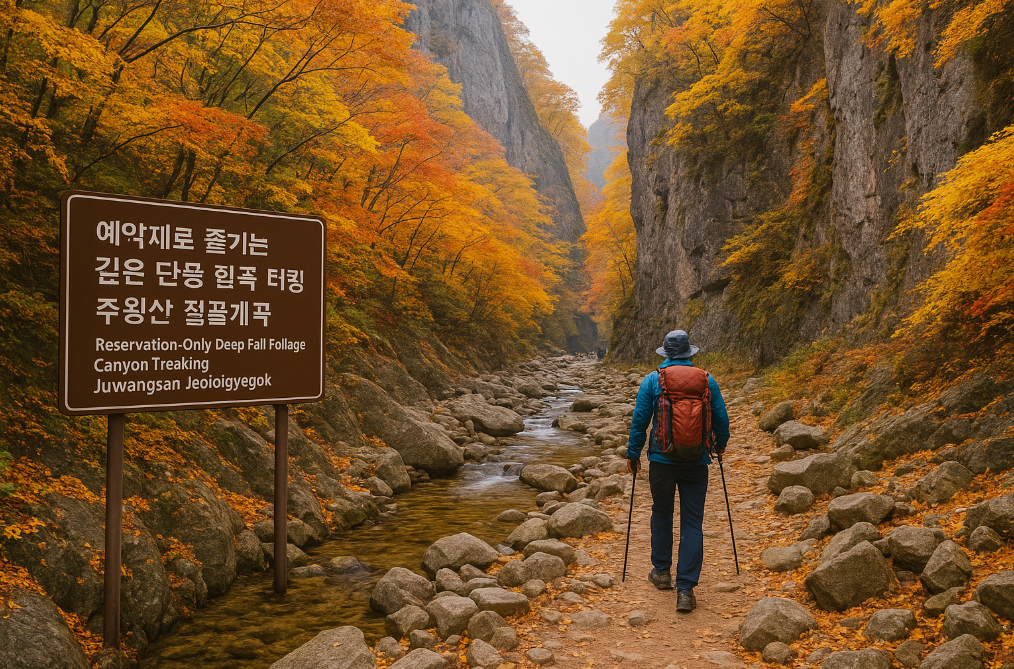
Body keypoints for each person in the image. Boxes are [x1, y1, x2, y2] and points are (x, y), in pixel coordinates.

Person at [625, 329, 730, 612]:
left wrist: (633, 453)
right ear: (689, 354)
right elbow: (721, 418)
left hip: (661, 460)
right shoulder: (706, 380)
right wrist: (720, 446)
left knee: (661, 512)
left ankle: (661, 572)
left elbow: (639, 421)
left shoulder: (652, 380)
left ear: (666, 354)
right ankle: (686, 590)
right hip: (697, 460)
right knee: (692, 522)